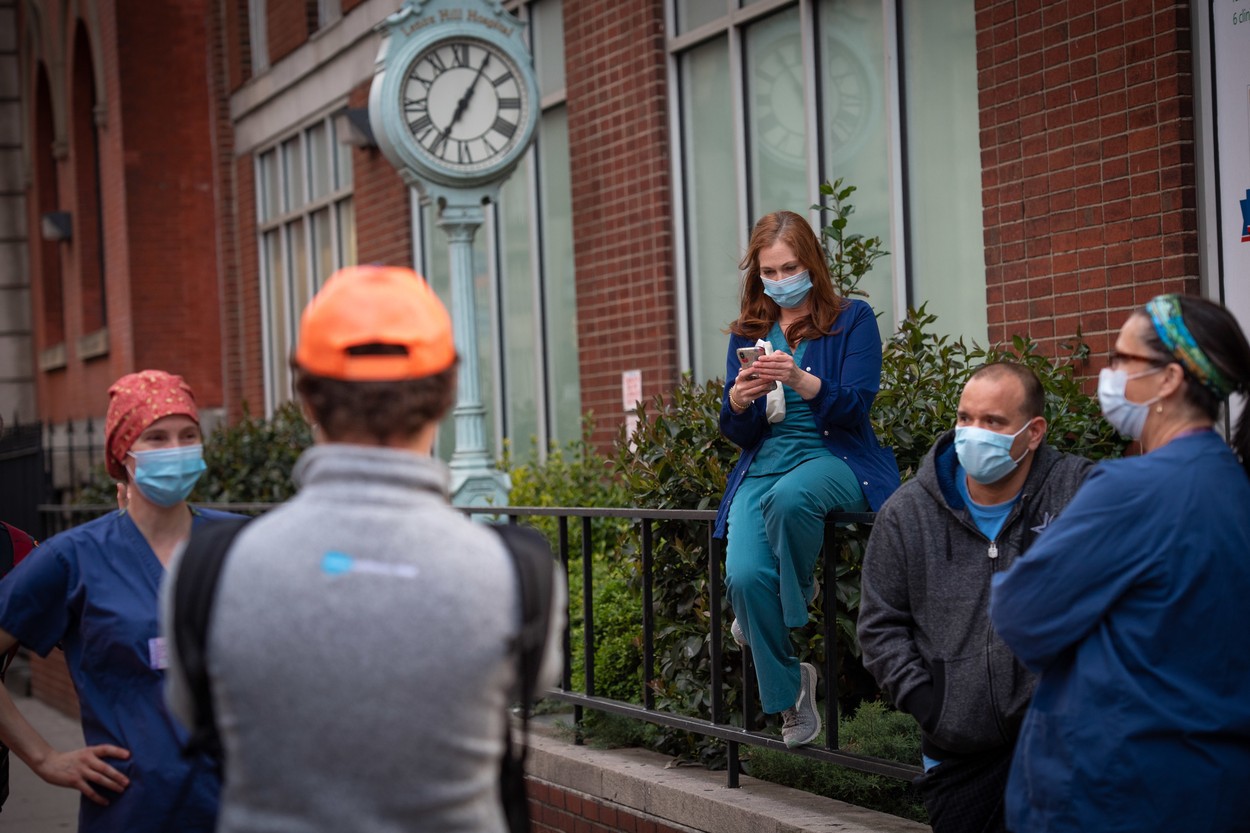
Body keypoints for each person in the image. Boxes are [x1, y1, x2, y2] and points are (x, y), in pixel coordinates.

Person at [162, 264, 565, 833]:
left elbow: (189, 711)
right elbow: (536, 681)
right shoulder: (517, 573)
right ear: (447, 394)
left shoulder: (208, 570)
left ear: (306, 396)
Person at [989, 294, 1250, 833]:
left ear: (1169, 379)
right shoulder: (1232, 486)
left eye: (1122, 359)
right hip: (1215, 784)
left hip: (1116, 788)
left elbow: (1021, 612)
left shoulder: (1133, 489)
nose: (1108, 375)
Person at [858, 362, 1092, 833]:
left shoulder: (1078, 494)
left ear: (1034, 432)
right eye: (965, 418)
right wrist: (932, 706)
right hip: (957, 757)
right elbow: (880, 626)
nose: (974, 433)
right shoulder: (908, 512)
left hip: (1065, 746)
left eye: (993, 422)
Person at [0, 370, 232, 831]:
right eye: (156, 438)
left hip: (240, 807)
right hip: (133, 808)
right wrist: (44, 759)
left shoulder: (240, 542)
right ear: (122, 454)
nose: (176, 450)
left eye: (188, 435)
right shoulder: (72, 558)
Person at [714, 210, 899, 748]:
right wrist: (737, 401)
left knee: (793, 498)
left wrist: (799, 378)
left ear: (812, 264)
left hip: (833, 458)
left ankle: (785, 597)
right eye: (769, 272)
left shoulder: (852, 319)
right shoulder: (749, 331)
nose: (780, 280)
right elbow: (740, 432)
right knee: (744, 578)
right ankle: (792, 692)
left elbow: (856, 407)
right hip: (764, 464)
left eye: (790, 268)